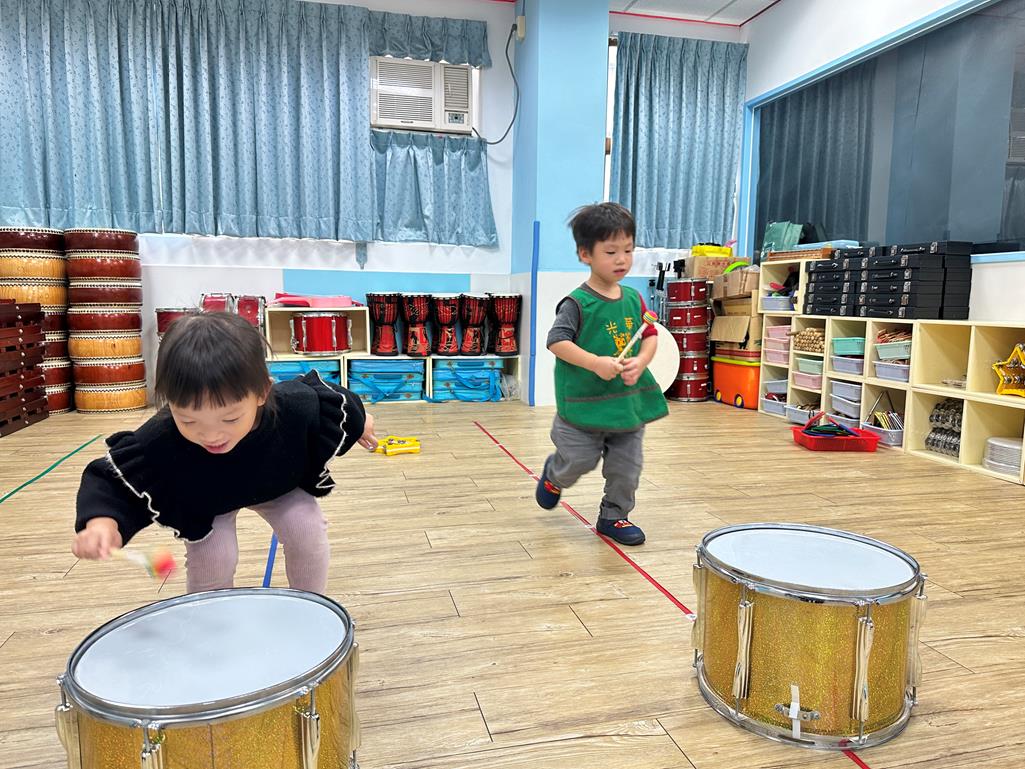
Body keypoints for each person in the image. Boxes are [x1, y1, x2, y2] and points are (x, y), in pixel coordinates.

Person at [71, 312, 376, 593]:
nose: (211, 435)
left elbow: (340, 403)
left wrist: (361, 423)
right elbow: (113, 481)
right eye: (188, 420)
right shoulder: (162, 436)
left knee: (306, 530)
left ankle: (311, 604)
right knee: (214, 557)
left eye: (230, 419)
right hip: (208, 498)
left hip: (277, 482)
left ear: (262, 392)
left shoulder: (295, 407)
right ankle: (211, 619)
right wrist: (102, 523)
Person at [535, 202, 668, 545]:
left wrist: (642, 361)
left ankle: (614, 516)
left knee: (627, 468)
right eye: (611, 252)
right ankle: (554, 475)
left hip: (626, 406)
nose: (622, 259)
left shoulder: (634, 298)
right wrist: (595, 362)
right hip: (584, 406)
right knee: (578, 461)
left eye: (628, 250)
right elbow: (557, 342)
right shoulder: (577, 303)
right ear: (585, 254)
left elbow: (650, 336)